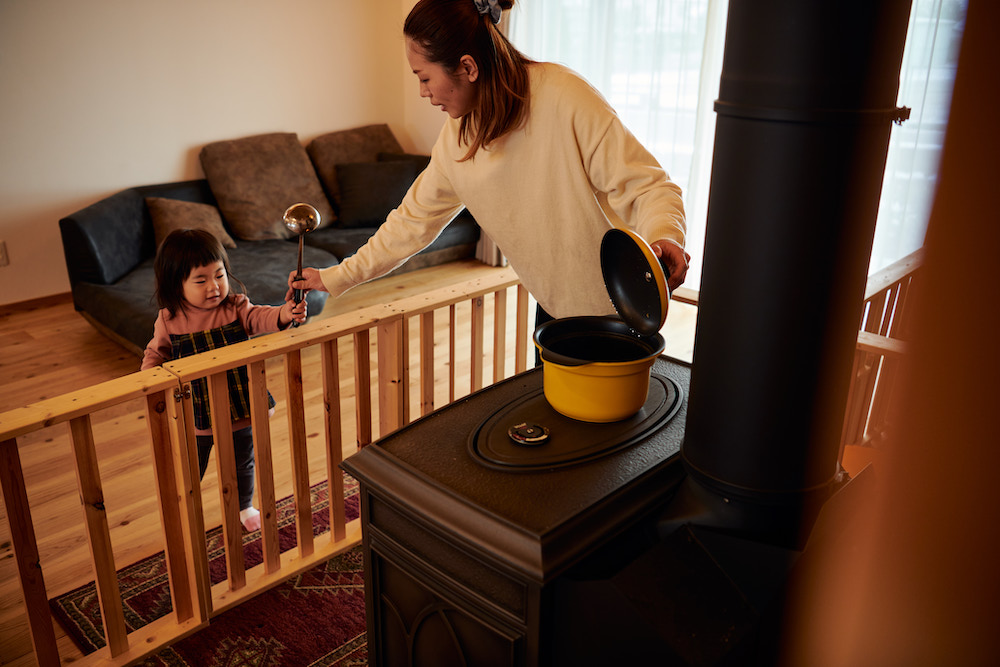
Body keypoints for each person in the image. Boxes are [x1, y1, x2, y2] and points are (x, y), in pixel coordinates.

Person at [290, 0, 689, 330]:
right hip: (554, 309)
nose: (423, 93)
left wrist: (666, 234)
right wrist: (332, 277)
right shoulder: (457, 140)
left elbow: (650, 188)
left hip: (623, 306)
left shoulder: (565, 97)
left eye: (425, 78)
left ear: (467, 67)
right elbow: (408, 226)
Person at [142, 228, 306, 532]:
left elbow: (263, 318)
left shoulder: (236, 307)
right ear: (176, 284)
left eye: (219, 275)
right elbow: (155, 354)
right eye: (201, 280)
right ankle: (185, 508)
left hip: (239, 405)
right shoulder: (170, 319)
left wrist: (286, 313)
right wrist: (149, 385)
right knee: (191, 466)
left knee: (243, 461)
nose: (214, 286)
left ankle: (245, 505)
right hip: (197, 411)